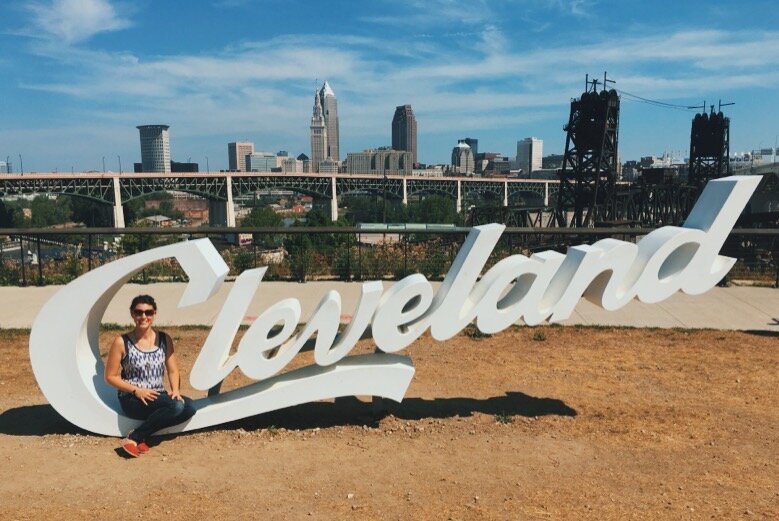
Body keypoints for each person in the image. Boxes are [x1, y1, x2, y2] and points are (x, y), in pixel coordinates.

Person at [105, 295, 195, 457]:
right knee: (175, 407)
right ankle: (133, 439)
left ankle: (141, 434)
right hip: (132, 399)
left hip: (156, 396)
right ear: (132, 314)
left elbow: (173, 370)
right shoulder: (121, 341)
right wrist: (136, 390)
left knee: (189, 407)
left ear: (154, 314)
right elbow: (110, 376)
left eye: (148, 312)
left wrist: (175, 390)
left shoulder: (164, 339)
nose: (143, 317)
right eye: (138, 312)